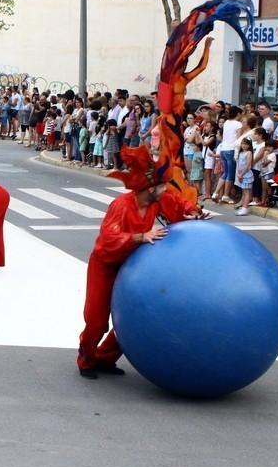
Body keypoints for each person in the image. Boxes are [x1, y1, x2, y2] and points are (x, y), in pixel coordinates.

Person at [77, 146, 205, 379]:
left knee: (130, 318)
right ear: (150, 188)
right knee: (96, 320)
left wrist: (195, 212)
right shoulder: (122, 205)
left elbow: (178, 206)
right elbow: (107, 240)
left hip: (133, 266)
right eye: (162, 185)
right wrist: (140, 237)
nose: (165, 189)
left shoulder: (157, 200)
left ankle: (104, 358)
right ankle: (85, 359)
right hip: (105, 265)